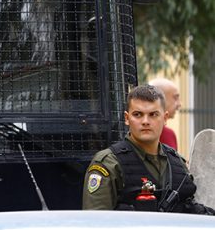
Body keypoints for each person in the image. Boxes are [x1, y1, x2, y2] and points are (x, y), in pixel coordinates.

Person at [83, 85, 213, 214]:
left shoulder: (178, 163)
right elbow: (96, 223)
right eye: (138, 114)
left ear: (165, 118)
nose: (145, 121)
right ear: (127, 119)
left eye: (153, 114)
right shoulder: (109, 164)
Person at [149, 77, 181, 149]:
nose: (179, 104)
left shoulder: (169, 134)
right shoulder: (166, 133)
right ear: (159, 98)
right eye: (175, 98)